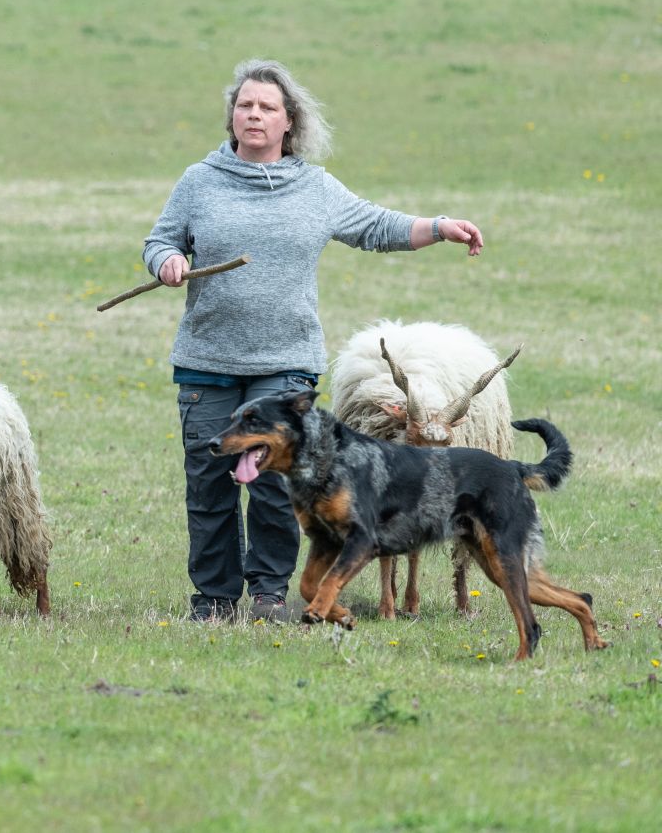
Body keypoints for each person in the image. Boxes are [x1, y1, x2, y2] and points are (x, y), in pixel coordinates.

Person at [141, 59, 483, 623]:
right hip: (208, 364)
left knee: (279, 487)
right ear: (232, 116)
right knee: (210, 485)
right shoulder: (199, 181)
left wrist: (439, 226)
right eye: (245, 105)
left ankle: (271, 595)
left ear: (288, 122)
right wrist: (169, 259)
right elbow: (159, 241)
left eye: (267, 107)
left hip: (284, 367)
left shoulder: (314, 187)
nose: (254, 114)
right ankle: (214, 600)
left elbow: (376, 226)